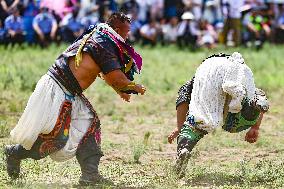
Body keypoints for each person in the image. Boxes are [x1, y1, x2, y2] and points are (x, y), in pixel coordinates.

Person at [5, 12, 146, 185]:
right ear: (117, 29)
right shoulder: (103, 42)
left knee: (90, 124)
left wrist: (121, 90)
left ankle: (90, 175)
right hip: (58, 87)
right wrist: (132, 87)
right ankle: (15, 153)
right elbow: (115, 77)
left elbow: (104, 73)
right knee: (55, 138)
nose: (128, 34)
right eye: (127, 30)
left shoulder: (101, 38)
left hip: (67, 90)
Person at [168, 52, 269, 178]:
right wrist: (255, 127)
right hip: (239, 69)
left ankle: (184, 149)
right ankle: (254, 103)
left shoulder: (202, 74)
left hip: (209, 73)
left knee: (197, 124)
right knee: (242, 107)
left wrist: (180, 127)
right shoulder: (231, 64)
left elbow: (183, 95)